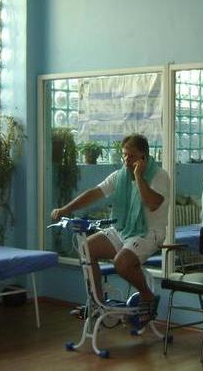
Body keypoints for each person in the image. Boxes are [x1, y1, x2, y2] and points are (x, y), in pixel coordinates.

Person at [51, 133, 170, 311]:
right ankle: (97, 302)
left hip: (148, 233)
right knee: (86, 248)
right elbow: (95, 193)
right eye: (124, 155)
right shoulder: (120, 176)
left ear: (144, 157)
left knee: (121, 263)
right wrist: (66, 209)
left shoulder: (159, 176)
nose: (127, 160)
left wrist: (138, 176)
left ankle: (148, 296)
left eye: (132, 156)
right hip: (123, 229)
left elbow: (153, 204)